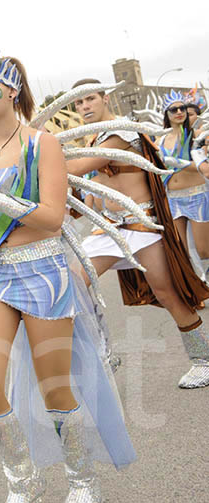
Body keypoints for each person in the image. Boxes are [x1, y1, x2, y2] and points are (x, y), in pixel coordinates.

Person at [0, 49, 135, 501]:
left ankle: (83, 480)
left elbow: (51, 217)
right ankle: (23, 480)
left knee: (55, 388)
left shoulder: (40, 145)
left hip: (44, 271)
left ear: (12, 90)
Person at [68, 79, 209, 389]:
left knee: (168, 293)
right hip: (109, 228)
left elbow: (84, 166)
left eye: (89, 99)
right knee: (75, 283)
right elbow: (96, 183)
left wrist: (35, 161)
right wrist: (88, 208)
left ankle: (203, 360)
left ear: (104, 98)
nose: (84, 107)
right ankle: (104, 353)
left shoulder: (122, 130)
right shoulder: (93, 138)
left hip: (143, 224)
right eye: (78, 103)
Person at [156, 90, 209, 274]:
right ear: (166, 114)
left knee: (204, 250)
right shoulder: (159, 140)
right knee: (181, 251)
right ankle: (195, 290)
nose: (179, 112)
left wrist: (179, 163)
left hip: (197, 196)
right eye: (174, 109)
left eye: (183, 108)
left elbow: (204, 168)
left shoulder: (197, 135)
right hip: (173, 199)